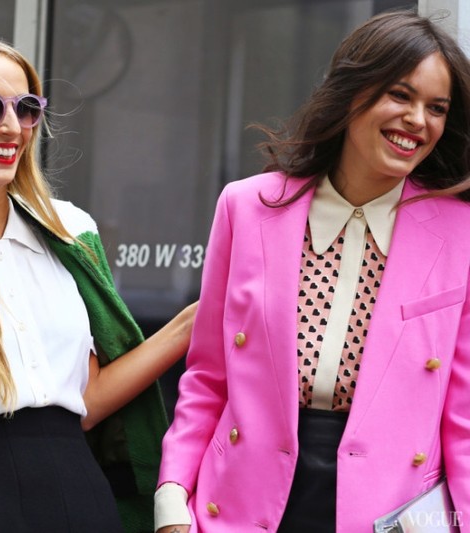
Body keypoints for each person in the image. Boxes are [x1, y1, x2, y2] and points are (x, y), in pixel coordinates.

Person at [155, 9, 470, 533]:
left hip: (389, 509)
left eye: (436, 108)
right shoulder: (247, 207)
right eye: (400, 95)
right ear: (352, 93)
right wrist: (172, 502)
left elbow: (464, 415)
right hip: (241, 499)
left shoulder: (460, 233)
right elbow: (208, 377)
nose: (419, 120)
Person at [0, 36, 197, 532]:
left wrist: (189, 324)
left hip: (82, 490)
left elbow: (88, 401)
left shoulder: (70, 231)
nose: (12, 127)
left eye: (26, 108)